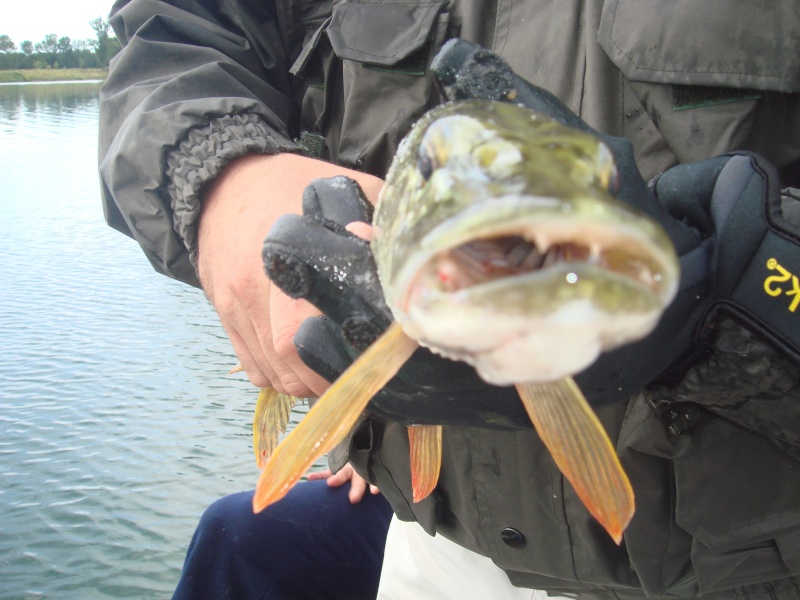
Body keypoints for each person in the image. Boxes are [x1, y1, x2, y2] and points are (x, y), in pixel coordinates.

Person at [98, 1, 800, 598]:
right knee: (242, 533)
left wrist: (753, 298)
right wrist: (222, 174)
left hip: (764, 561)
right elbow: (182, 28)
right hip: (435, 546)